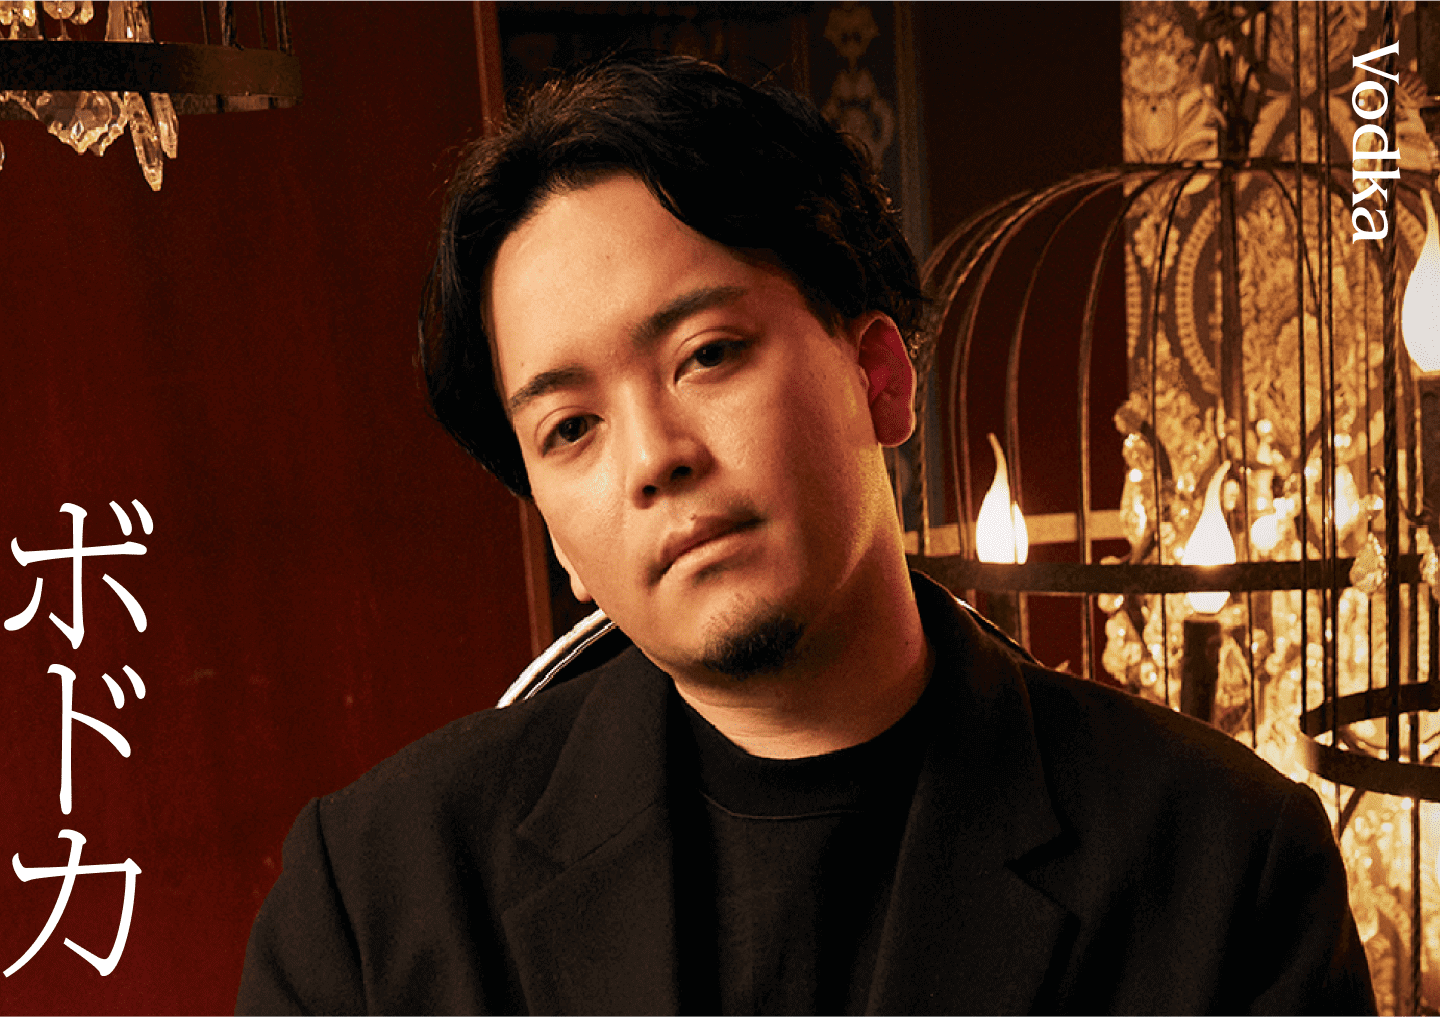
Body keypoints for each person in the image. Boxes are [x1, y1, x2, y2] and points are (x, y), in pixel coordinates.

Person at [236, 55, 1375, 1016]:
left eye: (708, 355)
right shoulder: (375, 900)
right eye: (571, 427)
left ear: (879, 376)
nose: (654, 457)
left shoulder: (1225, 862)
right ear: (556, 539)